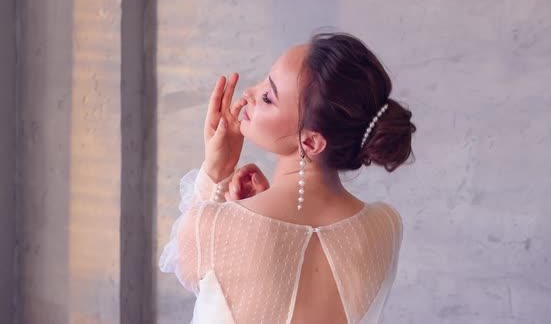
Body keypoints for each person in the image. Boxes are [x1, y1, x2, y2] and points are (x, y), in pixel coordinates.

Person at [159, 32, 416, 324]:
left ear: (310, 143)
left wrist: (216, 171)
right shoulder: (386, 225)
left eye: (268, 97)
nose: (248, 95)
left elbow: (185, 264)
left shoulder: (213, 226)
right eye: (264, 80)